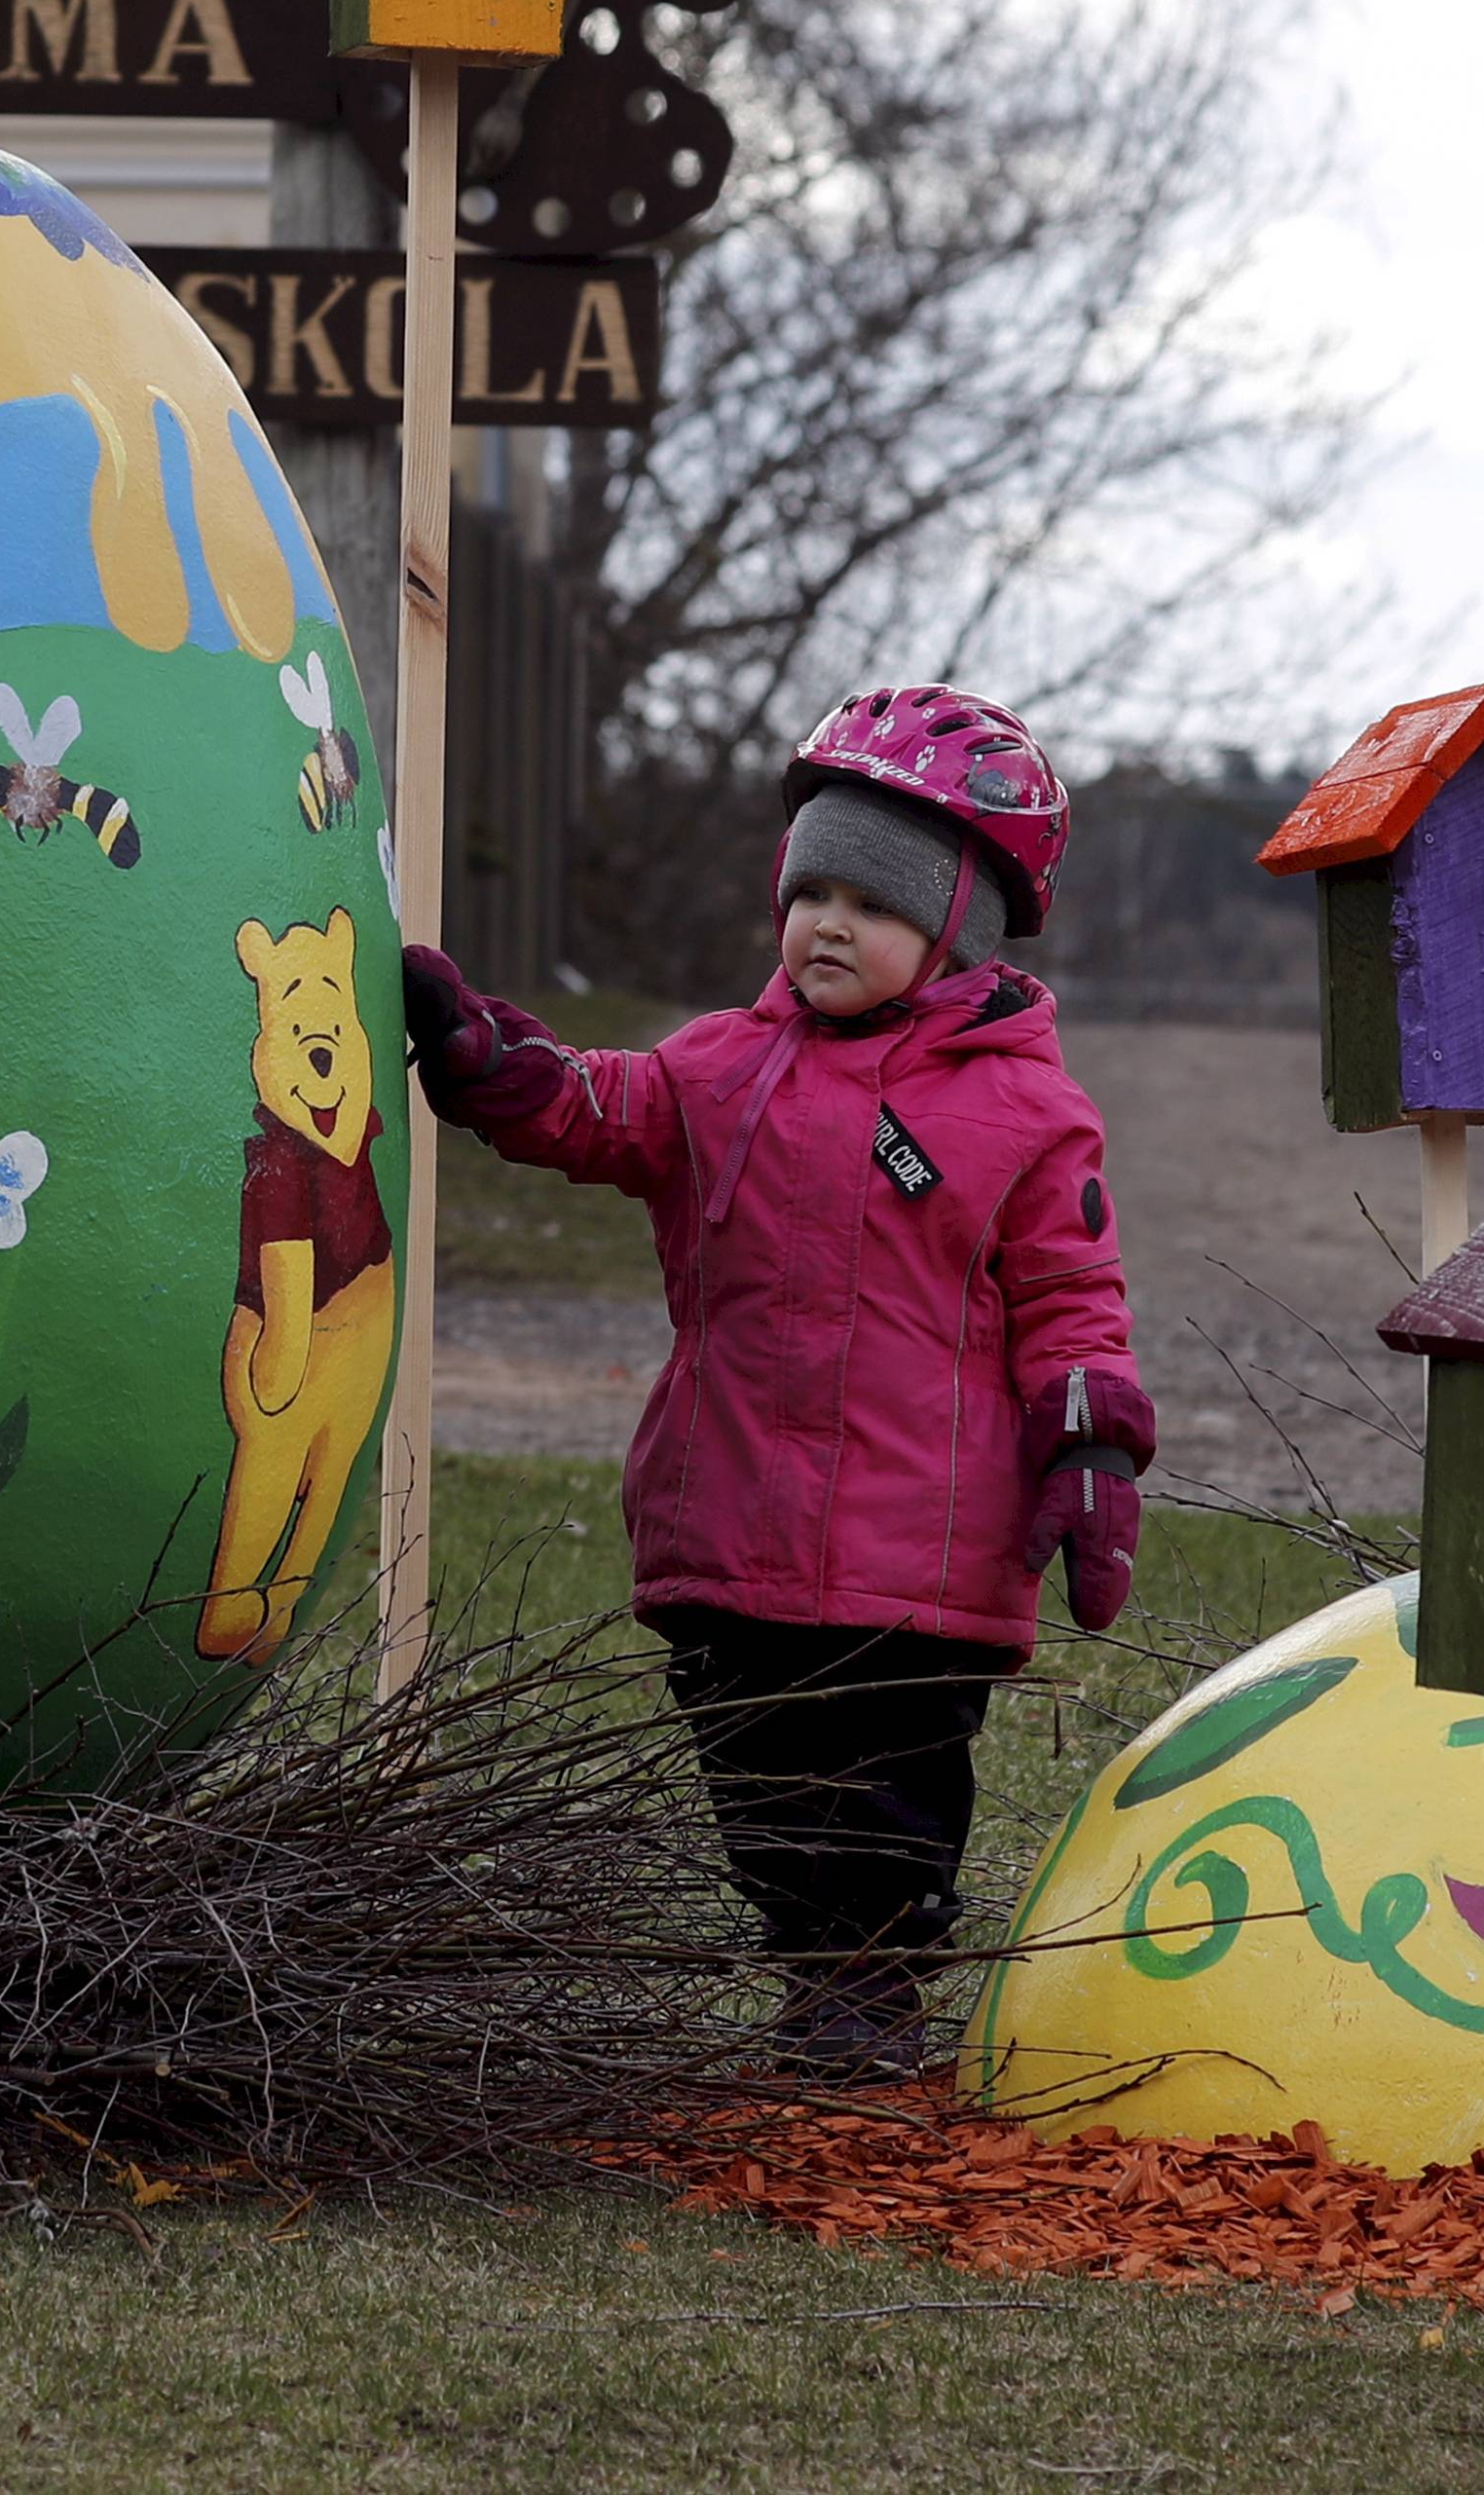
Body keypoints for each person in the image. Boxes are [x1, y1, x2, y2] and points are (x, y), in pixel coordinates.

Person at [402, 686, 1150, 2077]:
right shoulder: (715, 1068)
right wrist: (480, 1056)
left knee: (883, 1788)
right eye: (807, 891)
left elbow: (1070, 1295)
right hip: (730, 1517)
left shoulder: (1023, 1111)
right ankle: (816, 1981)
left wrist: (1090, 1446)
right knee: (757, 1777)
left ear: (957, 931)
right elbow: (589, 1107)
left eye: (868, 904)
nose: (825, 924)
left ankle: (870, 1992)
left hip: (915, 1549)